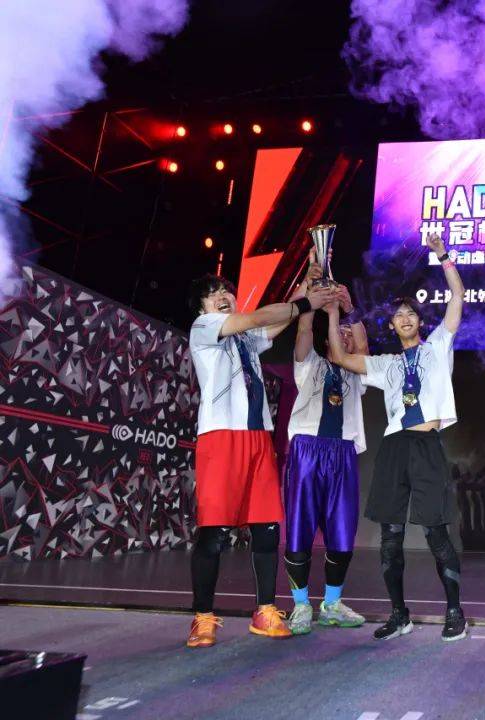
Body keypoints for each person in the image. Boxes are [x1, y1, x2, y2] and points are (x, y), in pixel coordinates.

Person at [327, 232, 467, 642]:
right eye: (398, 315)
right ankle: (398, 614)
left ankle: (454, 611)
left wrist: (443, 256)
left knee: (437, 533)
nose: (405, 318)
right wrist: (333, 313)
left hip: (426, 446)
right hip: (394, 447)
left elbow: (457, 298)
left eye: (411, 314)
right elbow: (339, 356)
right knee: (390, 537)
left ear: (420, 322)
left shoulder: (438, 347)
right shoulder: (386, 364)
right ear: (391, 325)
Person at [185, 271, 336, 648]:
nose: (222, 296)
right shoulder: (205, 327)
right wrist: (307, 303)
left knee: (267, 527)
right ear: (202, 308)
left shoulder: (245, 339)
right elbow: (259, 317)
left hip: (258, 438)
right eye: (213, 293)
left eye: (226, 291)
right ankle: (202, 616)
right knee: (214, 531)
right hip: (221, 437)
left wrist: (305, 282)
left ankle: (265, 610)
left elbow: (275, 322)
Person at [283, 254, 369, 634]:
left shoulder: (357, 374)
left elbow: (362, 346)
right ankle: (301, 606)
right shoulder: (309, 364)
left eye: (349, 334)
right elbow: (303, 328)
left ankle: (332, 604)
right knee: (299, 529)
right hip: (308, 449)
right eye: (341, 334)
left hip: (342, 453)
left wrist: (345, 312)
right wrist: (311, 290)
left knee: (342, 533)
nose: (346, 337)